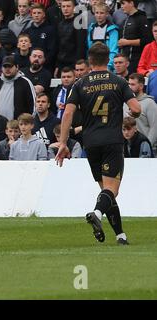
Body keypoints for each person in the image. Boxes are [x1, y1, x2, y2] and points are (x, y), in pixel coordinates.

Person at [55, 42, 142, 245]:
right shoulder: (118, 81)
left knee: (107, 191)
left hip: (90, 143)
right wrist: (134, 112)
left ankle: (121, 236)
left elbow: (67, 113)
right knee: (113, 190)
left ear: (90, 60)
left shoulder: (79, 84)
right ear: (108, 60)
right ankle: (96, 212)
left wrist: (63, 143)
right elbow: (136, 108)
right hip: (112, 141)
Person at [0, 55, 36, 120]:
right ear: (1, 68)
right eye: (5, 67)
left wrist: (28, 123)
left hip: (18, 126)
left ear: (17, 67)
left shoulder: (25, 82)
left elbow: (34, 105)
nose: (7, 69)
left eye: (10, 66)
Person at [126, 73, 157, 154]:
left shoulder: (150, 103)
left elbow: (154, 127)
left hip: (145, 149)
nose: (129, 87)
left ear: (141, 86)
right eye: (128, 84)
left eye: (133, 84)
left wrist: (147, 145)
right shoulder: (125, 103)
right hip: (128, 148)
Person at [118, 0, 152, 74]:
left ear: (131, 3)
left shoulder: (142, 18)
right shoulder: (125, 19)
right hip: (125, 60)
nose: (121, 6)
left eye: (123, 3)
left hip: (136, 60)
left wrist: (127, 42)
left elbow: (147, 40)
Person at [87, 3, 119, 73]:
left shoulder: (112, 30)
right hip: (93, 65)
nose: (99, 15)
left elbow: (113, 50)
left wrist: (109, 66)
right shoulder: (91, 28)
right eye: (97, 13)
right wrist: (90, 65)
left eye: (101, 13)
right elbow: (89, 49)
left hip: (107, 65)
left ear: (107, 14)